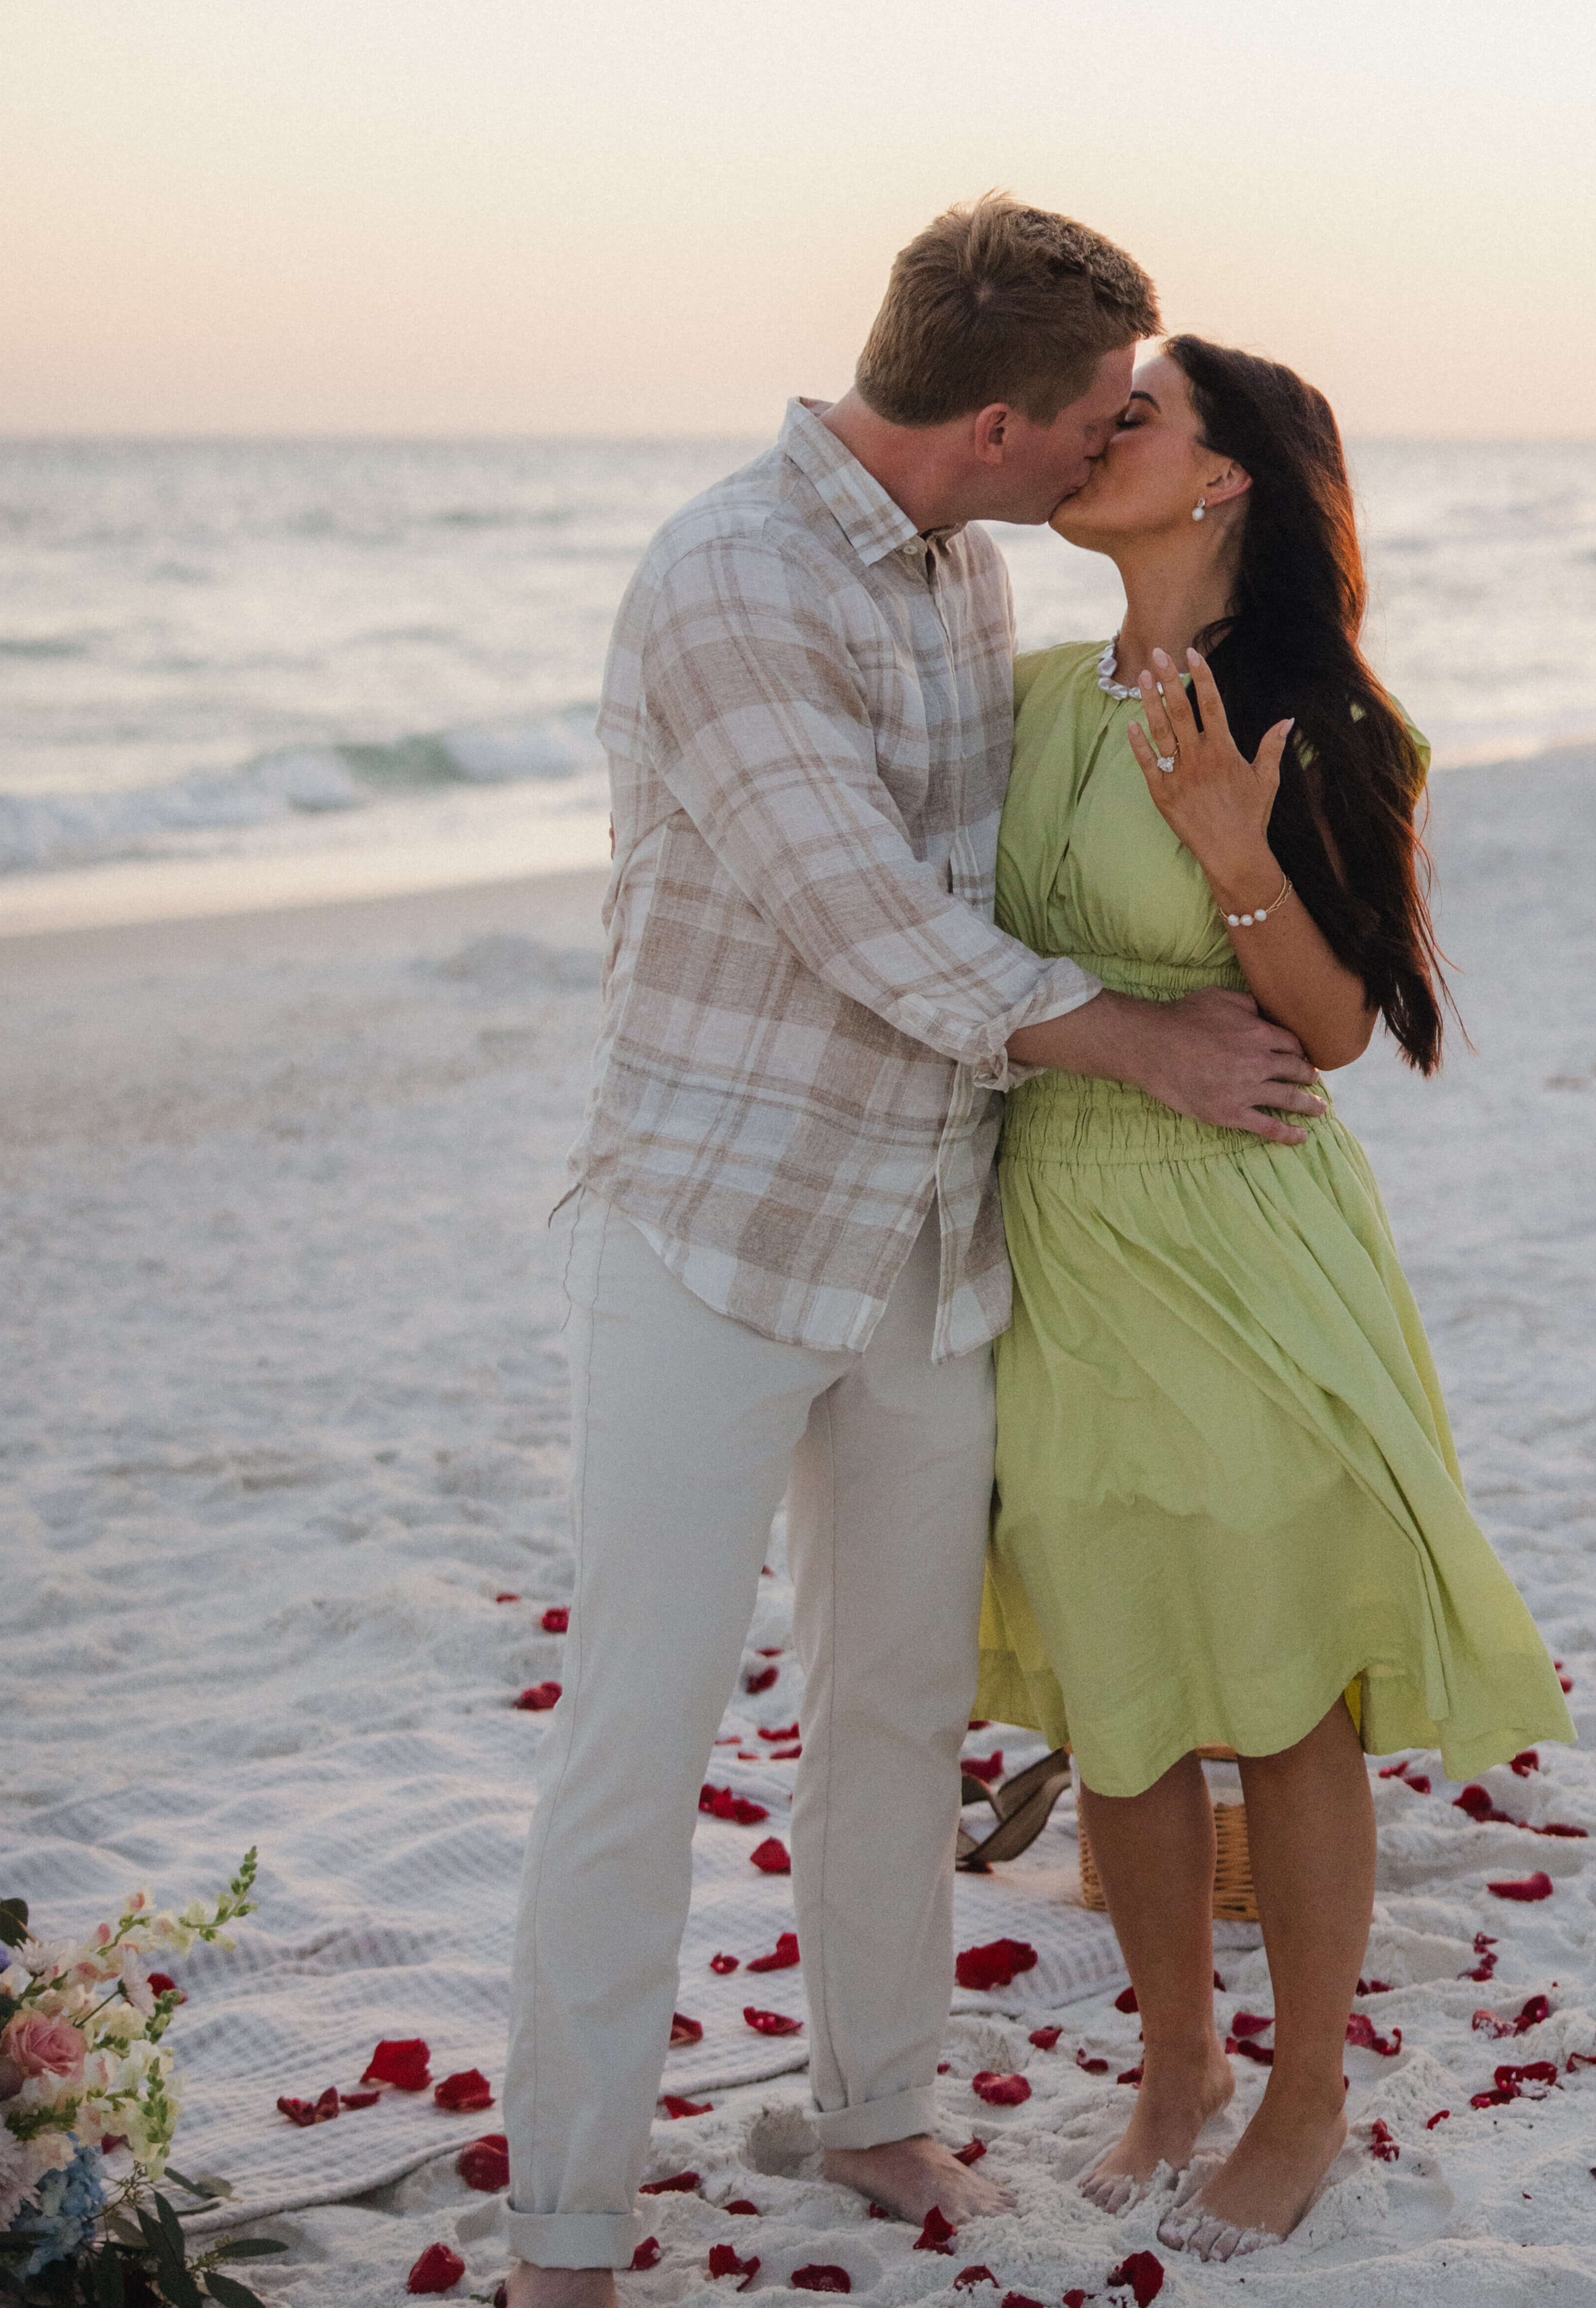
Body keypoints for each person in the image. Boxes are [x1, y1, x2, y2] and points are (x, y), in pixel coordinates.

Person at [504, 210, 1332, 2308]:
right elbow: (869, 922)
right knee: (643, 1727)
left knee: (892, 1706)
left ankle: (871, 2101)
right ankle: (567, 2231)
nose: (1094, 458)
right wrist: (1141, 1037)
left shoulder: (966, 574)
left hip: (925, 1241)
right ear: (995, 419)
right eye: (1081, 427)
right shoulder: (729, 579)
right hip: (714, 1232)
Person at [976, 336, 1578, 2260]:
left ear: (1225, 477)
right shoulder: (1031, 697)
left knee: (1281, 1690)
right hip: (1060, 1224)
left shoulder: (1323, 713)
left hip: (1241, 1223)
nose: (1091, 430)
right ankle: (1174, 2066)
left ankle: (1304, 2080)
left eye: (1133, 412)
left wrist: (1237, 860)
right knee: (1128, 1679)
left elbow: (1338, 1029)